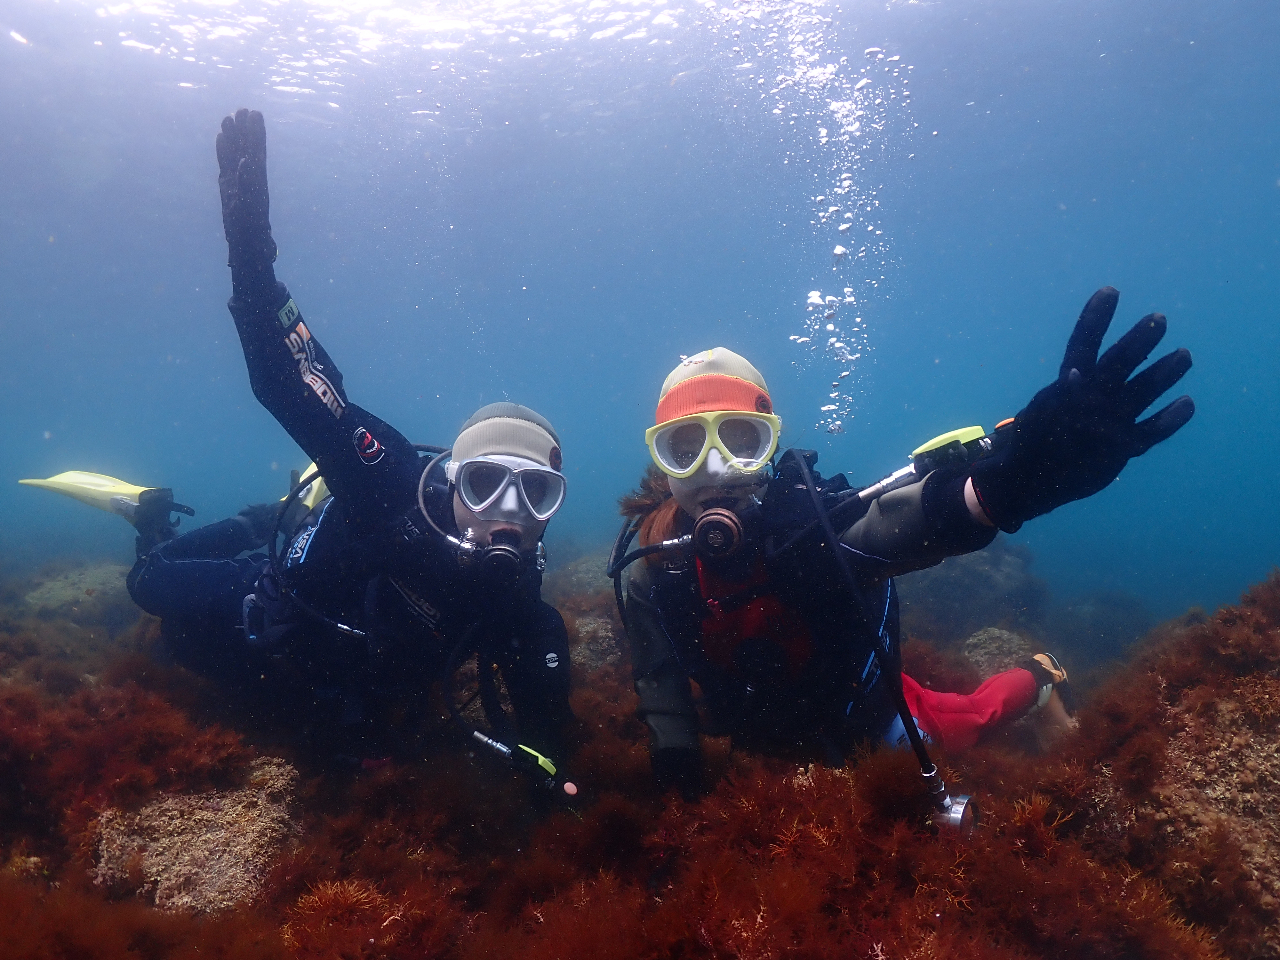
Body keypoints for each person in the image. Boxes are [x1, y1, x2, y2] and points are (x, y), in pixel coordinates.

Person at [27, 109, 575, 769]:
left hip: (344, 670)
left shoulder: (525, 611)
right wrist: (250, 257)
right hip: (273, 594)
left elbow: (547, 733)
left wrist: (555, 776)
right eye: (486, 484)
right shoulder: (391, 481)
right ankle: (160, 515)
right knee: (151, 591)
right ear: (452, 480)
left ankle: (284, 511)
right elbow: (296, 384)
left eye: (536, 495)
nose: (507, 515)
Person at [613, 291, 1193, 798]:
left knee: (973, 717)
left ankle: (1041, 678)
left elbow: (904, 518)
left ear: (771, 447)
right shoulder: (649, 568)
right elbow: (659, 683)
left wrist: (1005, 487)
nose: (715, 470)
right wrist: (678, 781)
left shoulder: (813, 532)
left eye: (741, 440)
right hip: (762, 744)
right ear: (661, 464)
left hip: (867, 726)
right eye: (684, 447)